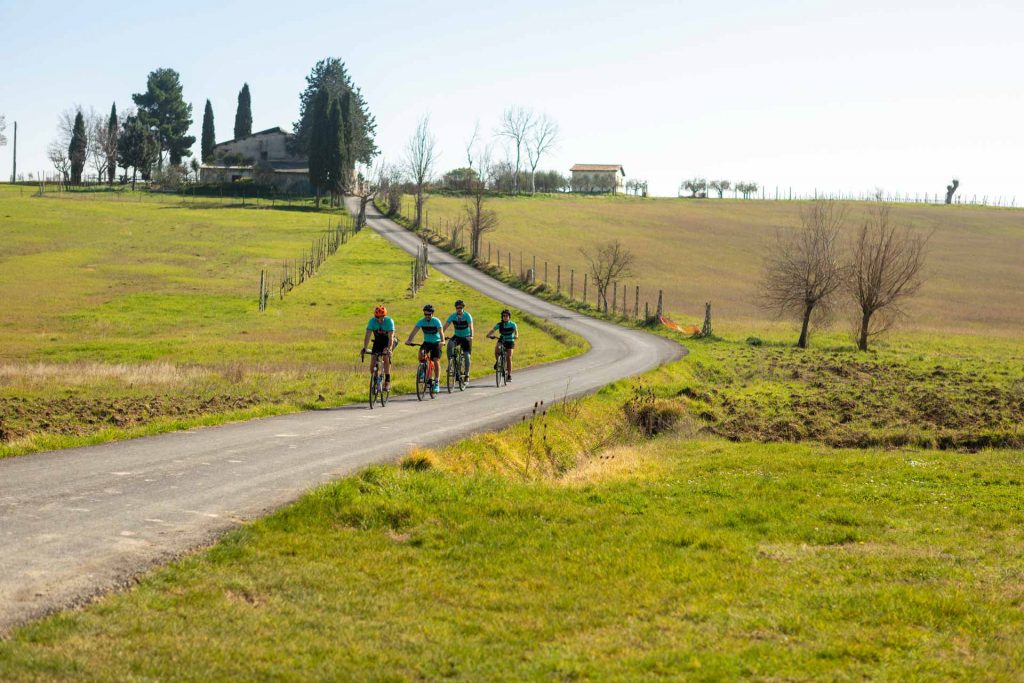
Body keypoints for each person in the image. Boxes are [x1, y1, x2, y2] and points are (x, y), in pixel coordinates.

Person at [405, 303, 445, 393]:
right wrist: (409, 340)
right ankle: (423, 371)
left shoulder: (436, 321)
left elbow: (441, 332)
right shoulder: (421, 321)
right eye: (425, 314)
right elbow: (414, 331)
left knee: (435, 360)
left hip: (436, 343)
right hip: (427, 342)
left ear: (432, 314)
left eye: (429, 314)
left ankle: (437, 382)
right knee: (421, 354)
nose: (427, 316)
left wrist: (442, 341)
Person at [361, 305, 395, 391]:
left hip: (387, 342)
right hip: (377, 342)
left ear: (385, 316)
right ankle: (375, 379)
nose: (380, 319)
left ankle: (387, 381)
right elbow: (367, 335)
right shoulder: (372, 322)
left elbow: (391, 337)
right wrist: (365, 347)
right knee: (372, 363)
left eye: (382, 317)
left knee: (385, 357)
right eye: (377, 317)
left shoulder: (389, 321)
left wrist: (389, 349)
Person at [443, 299, 474, 379]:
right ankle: (451, 364)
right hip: (457, 336)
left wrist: (471, 336)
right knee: (450, 345)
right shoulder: (453, 316)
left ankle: (467, 374)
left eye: (460, 307)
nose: (459, 309)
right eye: (457, 308)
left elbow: (471, 327)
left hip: (466, 337)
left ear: (463, 308)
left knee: (467, 356)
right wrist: (440, 335)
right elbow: (445, 326)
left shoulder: (467, 316)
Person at [487, 308, 519, 382]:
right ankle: (498, 362)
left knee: (509, 357)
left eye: (507, 316)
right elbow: (493, 330)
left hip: (510, 341)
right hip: (502, 339)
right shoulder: (500, 324)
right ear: (502, 317)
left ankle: (509, 375)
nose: (505, 317)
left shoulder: (513, 324)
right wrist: (489, 334)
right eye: (504, 316)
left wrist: (516, 336)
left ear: (509, 317)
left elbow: (516, 332)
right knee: (497, 349)